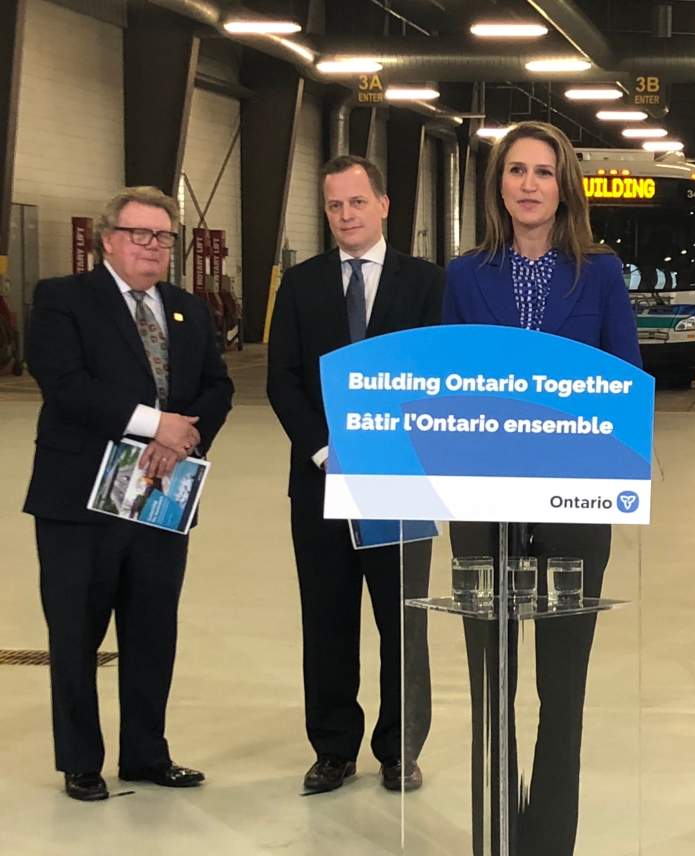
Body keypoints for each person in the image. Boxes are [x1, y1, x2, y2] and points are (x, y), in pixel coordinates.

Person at [443, 121, 641, 855]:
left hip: (575, 509)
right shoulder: (464, 276)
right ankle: (494, 838)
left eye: (544, 172)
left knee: (562, 692)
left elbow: (625, 383)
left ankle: (548, 843)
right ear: (498, 184)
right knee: (491, 687)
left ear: (565, 188)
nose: (529, 184)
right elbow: (444, 388)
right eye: (516, 170)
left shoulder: (602, 272)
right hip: (481, 510)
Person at [23, 186, 234, 801]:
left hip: (163, 492)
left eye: (164, 236)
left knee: (151, 630)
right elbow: (63, 382)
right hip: (79, 500)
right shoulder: (63, 300)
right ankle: (81, 762)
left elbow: (217, 387)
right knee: (76, 632)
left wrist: (183, 438)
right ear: (108, 240)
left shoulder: (189, 310)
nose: (153, 247)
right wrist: (153, 423)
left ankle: (146, 754)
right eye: (140, 234)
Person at [267, 155, 444, 795]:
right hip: (320, 481)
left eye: (357, 203)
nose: (346, 215)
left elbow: (437, 377)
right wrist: (323, 451)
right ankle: (333, 748)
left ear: (384, 204)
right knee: (327, 617)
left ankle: (400, 750)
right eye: (335, 206)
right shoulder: (302, 283)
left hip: (400, 481)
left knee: (403, 619)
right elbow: (281, 377)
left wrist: (390, 449)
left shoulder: (427, 284)